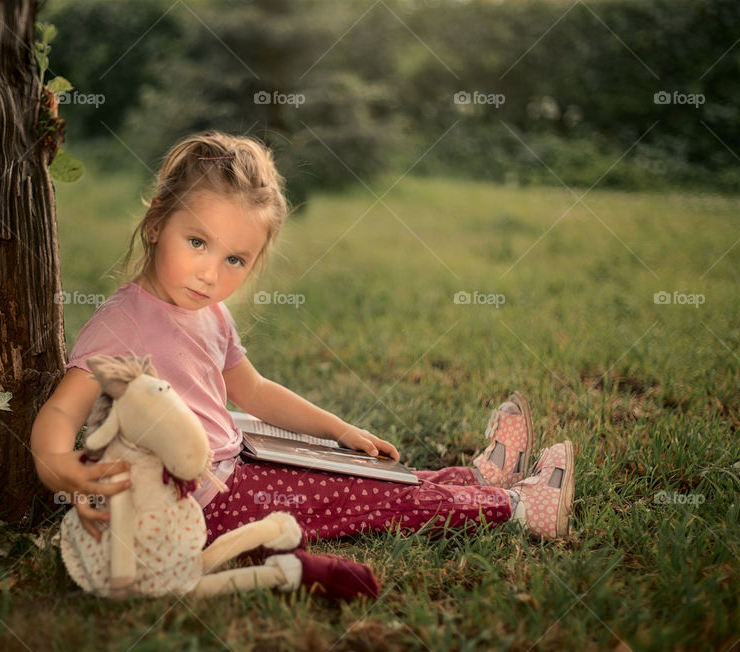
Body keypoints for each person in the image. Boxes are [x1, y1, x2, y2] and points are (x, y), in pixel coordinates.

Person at [30, 130, 576, 548]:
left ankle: (476, 477)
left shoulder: (210, 314)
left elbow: (257, 392)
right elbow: (62, 411)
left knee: (349, 471)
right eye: (196, 242)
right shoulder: (121, 324)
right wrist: (57, 464)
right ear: (155, 223)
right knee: (367, 502)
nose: (210, 275)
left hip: (235, 467)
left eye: (234, 259)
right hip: (201, 504)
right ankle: (514, 506)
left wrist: (340, 431)